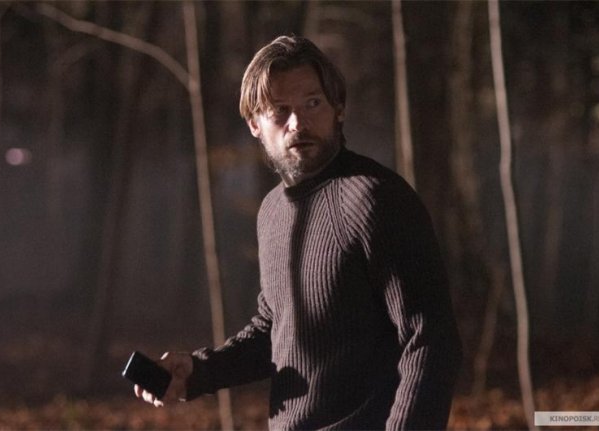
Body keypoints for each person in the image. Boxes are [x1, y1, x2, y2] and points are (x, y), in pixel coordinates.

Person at [135, 35, 462, 430]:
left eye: (312, 103)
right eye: (280, 110)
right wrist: (198, 372)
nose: (298, 123)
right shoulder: (272, 211)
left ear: (338, 108)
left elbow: (430, 340)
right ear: (255, 124)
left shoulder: (376, 200)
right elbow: (277, 330)